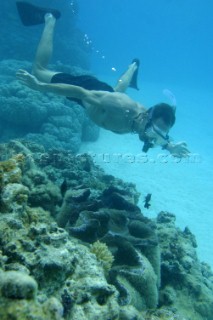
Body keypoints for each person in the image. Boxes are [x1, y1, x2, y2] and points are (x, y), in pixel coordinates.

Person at [16, 2, 189, 158]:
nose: (151, 140)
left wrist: (169, 146)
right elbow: (80, 92)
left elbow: (158, 133)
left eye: (158, 136)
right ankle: (50, 18)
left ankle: (133, 66)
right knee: (39, 70)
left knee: (116, 90)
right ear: (145, 118)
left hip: (108, 99)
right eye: (153, 133)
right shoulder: (119, 106)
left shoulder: (146, 123)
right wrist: (40, 86)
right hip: (87, 88)